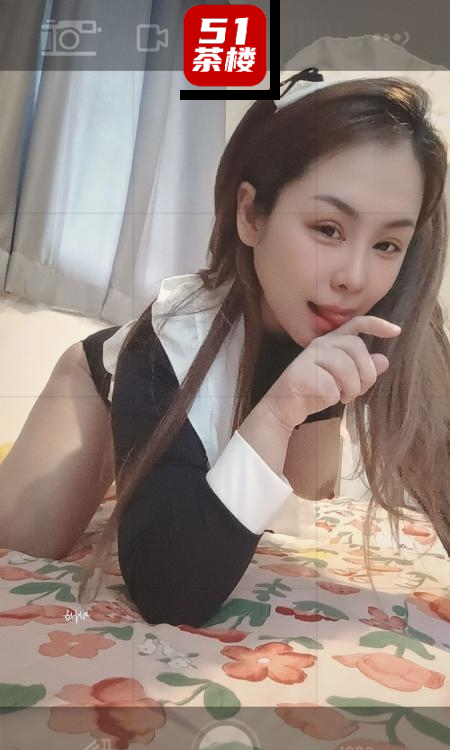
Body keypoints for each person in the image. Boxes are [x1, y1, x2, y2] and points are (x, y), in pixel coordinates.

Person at [1, 68, 449, 628]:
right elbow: (168, 593)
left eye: (387, 244)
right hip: (100, 387)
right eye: (328, 229)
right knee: (25, 546)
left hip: (277, 384)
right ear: (251, 215)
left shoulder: (397, 324)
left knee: (302, 508)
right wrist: (276, 413)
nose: (354, 278)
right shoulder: (170, 338)